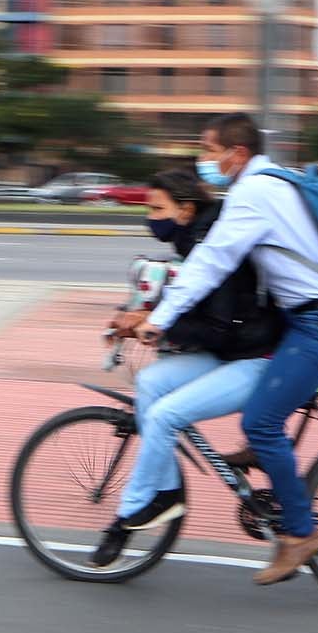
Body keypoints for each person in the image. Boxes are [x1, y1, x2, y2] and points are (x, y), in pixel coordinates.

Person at [134, 113, 318, 586]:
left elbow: (212, 262)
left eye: (208, 150)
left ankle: (300, 534)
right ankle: (265, 452)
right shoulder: (271, 183)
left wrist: (160, 319)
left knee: (260, 421)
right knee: (263, 409)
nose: (202, 160)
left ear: (237, 153)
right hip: (310, 322)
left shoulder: (254, 193)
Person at [91, 168, 284, 567]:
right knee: (151, 382)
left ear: (185, 210)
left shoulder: (212, 242)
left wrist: (153, 326)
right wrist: (146, 318)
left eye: (157, 209)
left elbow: (217, 327)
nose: (150, 218)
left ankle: (127, 516)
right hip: (233, 352)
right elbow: (200, 313)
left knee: (164, 416)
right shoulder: (195, 239)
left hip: (258, 360)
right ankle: (167, 493)